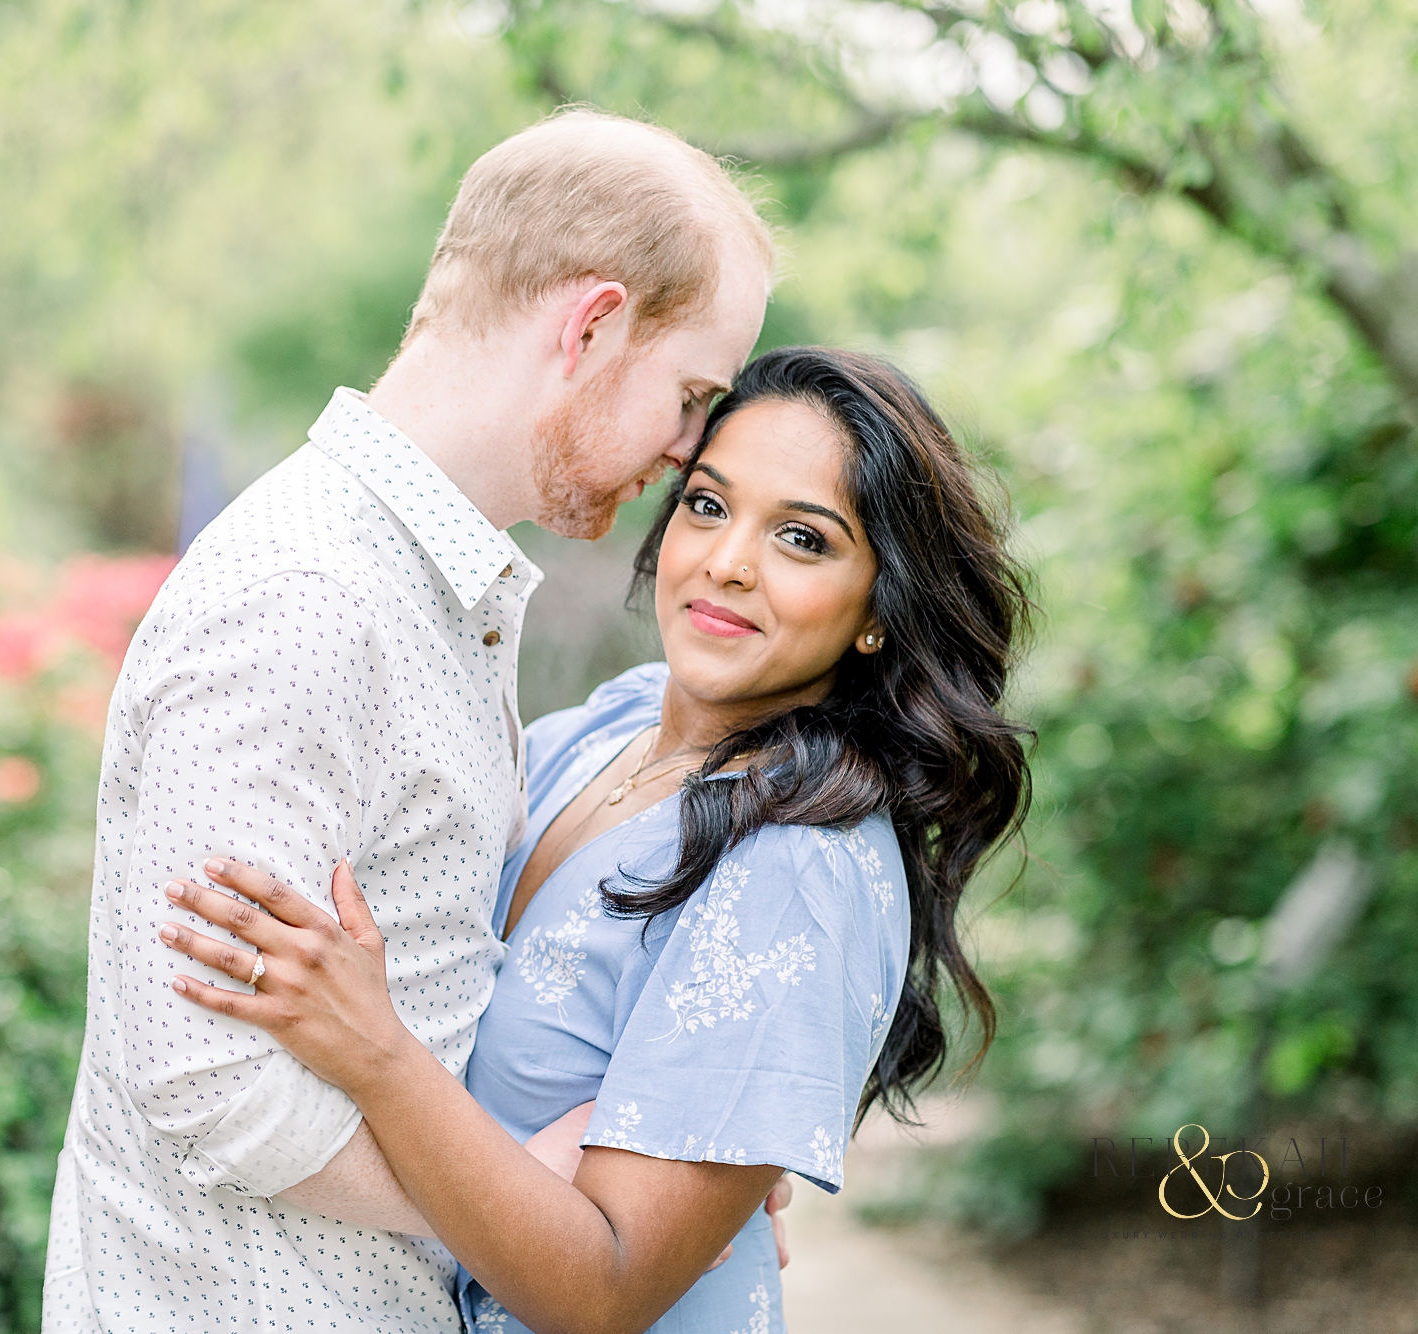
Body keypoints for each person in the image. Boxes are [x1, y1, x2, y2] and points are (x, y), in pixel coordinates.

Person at [40, 109, 775, 1333]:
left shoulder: (424, 592)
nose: (686, 449)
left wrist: (663, 1194)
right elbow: (210, 1081)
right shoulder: (308, 600)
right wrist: (547, 1203)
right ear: (590, 325)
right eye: (691, 395)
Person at [157, 346, 1034, 1333]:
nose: (726, 560)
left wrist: (376, 1053)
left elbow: (604, 1289)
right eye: (706, 504)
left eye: (799, 537)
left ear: (879, 608)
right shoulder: (608, 726)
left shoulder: (798, 862)